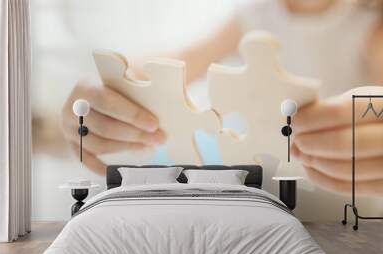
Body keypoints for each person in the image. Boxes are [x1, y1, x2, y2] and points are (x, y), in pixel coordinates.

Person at [62, 0, 383, 196]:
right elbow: (184, 60)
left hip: (343, 194)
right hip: (264, 186)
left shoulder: (367, 24)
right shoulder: (255, 14)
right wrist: (109, 81)